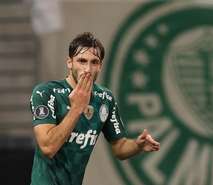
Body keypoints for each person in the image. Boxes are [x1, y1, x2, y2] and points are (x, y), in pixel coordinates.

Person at [29, 32, 160, 185]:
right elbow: (48, 147)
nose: (88, 69)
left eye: (94, 62)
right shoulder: (46, 93)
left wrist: (138, 145)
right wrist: (77, 108)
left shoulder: (105, 98)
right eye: (82, 61)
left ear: (100, 66)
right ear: (69, 62)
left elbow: (119, 147)